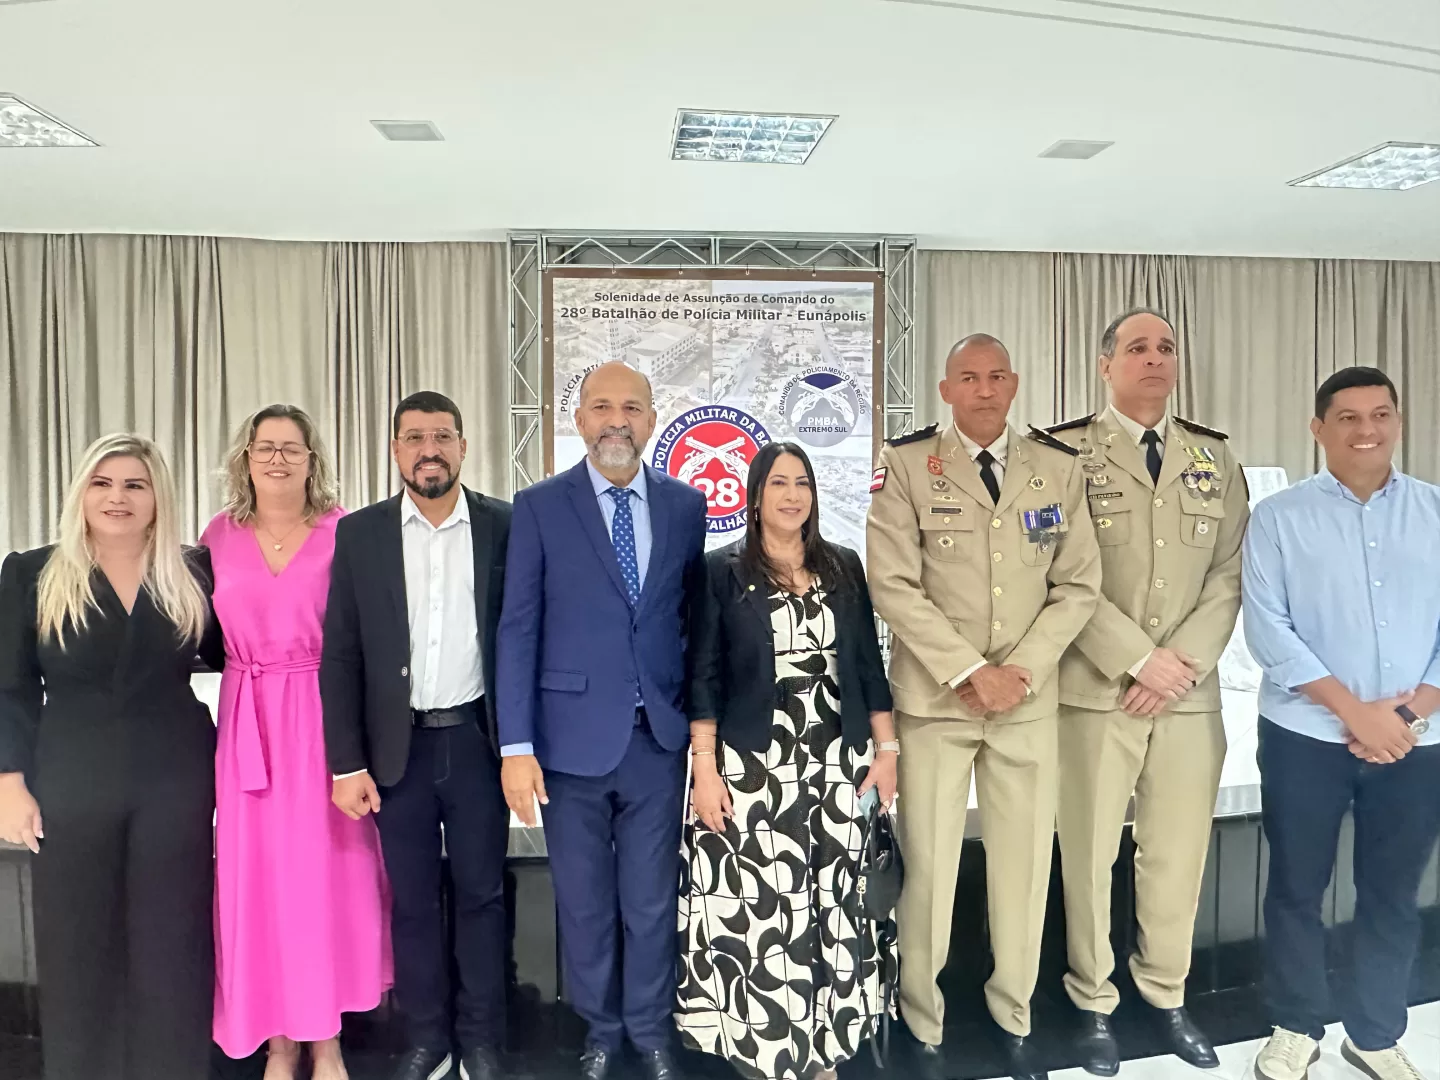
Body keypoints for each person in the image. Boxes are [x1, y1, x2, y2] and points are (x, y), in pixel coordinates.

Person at [866, 334, 1101, 1080]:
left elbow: (1078, 586)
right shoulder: (908, 465)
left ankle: (1015, 1014)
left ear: (1015, 383)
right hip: (937, 703)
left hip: (1025, 703)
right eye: (969, 377)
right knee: (929, 870)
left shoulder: (1057, 469)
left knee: (1024, 866)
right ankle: (922, 1020)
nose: (985, 389)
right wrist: (969, 670)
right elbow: (892, 584)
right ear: (946, 389)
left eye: (997, 375)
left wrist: (1019, 672)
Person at [1044, 308, 1250, 1074]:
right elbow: (1054, 568)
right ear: (1106, 365)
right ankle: (1093, 1001)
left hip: (1187, 699)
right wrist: (1136, 659)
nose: (1155, 358)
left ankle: (1166, 995)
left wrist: (1177, 664)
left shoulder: (1212, 456)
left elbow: (1230, 573)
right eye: (1137, 348)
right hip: (1097, 690)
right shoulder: (1061, 453)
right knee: (1089, 853)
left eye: (1166, 347)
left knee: (1177, 857)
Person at [497, 361, 707, 1080]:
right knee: (584, 904)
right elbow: (518, 628)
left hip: (657, 742)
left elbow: (691, 623)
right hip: (568, 744)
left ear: (652, 419)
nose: (617, 420)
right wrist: (516, 745)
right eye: (602, 406)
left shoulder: (685, 506)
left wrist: (700, 732)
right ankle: (601, 1030)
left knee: (650, 902)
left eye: (632, 407)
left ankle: (650, 1030)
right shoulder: (539, 506)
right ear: (579, 418)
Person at [0, 433, 222, 1080]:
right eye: (102, 483)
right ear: (81, 493)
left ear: (158, 496)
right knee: (76, 947)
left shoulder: (194, 570)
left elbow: (244, 654)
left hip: (174, 777)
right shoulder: (32, 573)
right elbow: (10, 686)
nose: (116, 497)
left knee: (172, 946)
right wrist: (9, 779)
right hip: (71, 777)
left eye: (134, 484)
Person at [1242, 367, 1440, 1080]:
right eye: (1349, 417)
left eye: (1381, 414)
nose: (1367, 430)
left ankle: (1376, 1034)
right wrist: (1358, 714)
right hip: (1305, 737)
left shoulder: (1436, 510)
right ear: (1319, 428)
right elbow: (1269, 630)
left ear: (1398, 422)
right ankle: (1296, 1026)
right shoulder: (1277, 518)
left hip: (1417, 741)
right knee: (1296, 887)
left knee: (1392, 893)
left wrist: (1408, 714)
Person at [678, 441, 898, 1080]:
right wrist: (704, 768)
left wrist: (887, 750)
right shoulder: (721, 571)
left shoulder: (842, 566)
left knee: (834, 902)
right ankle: (770, 1049)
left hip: (835, 761)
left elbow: (868, 665)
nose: (792, 494)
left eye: (802, 482)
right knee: (762, 907)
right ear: (754, 495)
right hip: (753, 767)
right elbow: (703, 675)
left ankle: (823, 1048)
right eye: (778, 482)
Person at [321, 391, 513, 1080]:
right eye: (414, 437)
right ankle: (427, 1037)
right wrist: (346, 762)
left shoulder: (504, 526)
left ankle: (482, 1039)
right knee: (411, 901)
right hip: (395, 752)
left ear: (463, 446)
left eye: (442, 436)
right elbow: (340, 653)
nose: (429, 450)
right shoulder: (360, 534)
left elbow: (524, 639)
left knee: (482, 896)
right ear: (395, 449)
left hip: (477, 744)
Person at [206, 405, 391, 1079]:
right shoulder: (217, 535)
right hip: (248, 721)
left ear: (313, 459)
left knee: (323, 883)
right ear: (246, 458)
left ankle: (326, 1039)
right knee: (257, 885)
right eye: (266, 447)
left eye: (292, 447)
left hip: (322, 719)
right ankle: (278, 1042)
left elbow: (367, 638)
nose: (278, 458)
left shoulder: (346, 532)